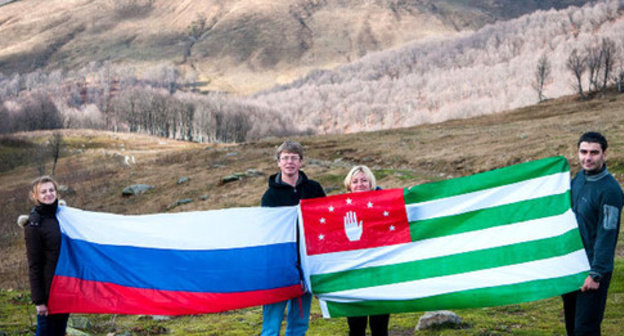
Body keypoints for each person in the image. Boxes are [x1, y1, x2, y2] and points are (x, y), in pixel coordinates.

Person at [260, 140, 326, 336]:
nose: (289, 162)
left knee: (299, 323)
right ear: (278, 163)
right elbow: (267, 231)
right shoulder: (270, 196)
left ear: (301, 162)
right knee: (272, 325)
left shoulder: (314, 189)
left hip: (306, 263)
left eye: (294, 158)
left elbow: (325, 220)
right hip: (278, 265)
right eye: (285, 158)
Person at [562, 132, 623, 336]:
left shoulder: (610, 191)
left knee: (585, 329)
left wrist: (596, 273)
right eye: (583, 152)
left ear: (604, 154)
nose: (587, 158)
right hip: (571, 266)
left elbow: (608, 235)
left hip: (592, 270)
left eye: (594, 153)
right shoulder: (578, 180)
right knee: (572, 326)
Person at [343, 165, 390, 336]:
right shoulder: (339, 208)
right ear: (349, 185)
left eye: (364, 180)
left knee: (380, 327)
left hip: (379, 273)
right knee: (356, 327)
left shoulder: (384, 203)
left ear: (371, 183)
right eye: (355, 181)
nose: (360, 184)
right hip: (354, 275)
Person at [23, 176, 69, 336]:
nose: (48, 194)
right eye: (43, 192)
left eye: (51, 190)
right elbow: (34, 265)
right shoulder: (33, 225)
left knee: (59, 332)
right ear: (35, 196)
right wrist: (39, 301)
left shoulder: (65, 218)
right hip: (49, 291)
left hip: (65, 286)